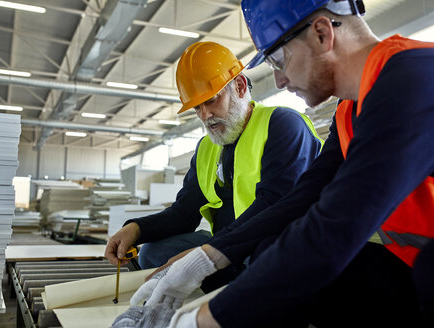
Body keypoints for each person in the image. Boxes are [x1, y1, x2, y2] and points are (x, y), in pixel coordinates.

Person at [119, 0, 434, 327]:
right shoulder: (350, 109)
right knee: (279, 258)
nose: (279, 81)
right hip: (410, 265)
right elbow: (301, 197)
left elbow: (336, 226)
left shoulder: (412, 80)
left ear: (322, 34)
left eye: (278, 59)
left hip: (422, 270)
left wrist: (202, 320)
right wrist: (204, 260)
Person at [105, 41, 323, 288]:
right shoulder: (207, 147)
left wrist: (209, 252)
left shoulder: (283, 124)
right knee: (153, 253)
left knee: (261, 256)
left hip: (278, 241)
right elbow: (184, 213)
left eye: (211, 100)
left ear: (239, 87)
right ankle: (225, 284)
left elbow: (275, 204)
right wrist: (136, 229)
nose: (204, 115)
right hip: (229, 245)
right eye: (197, 107)